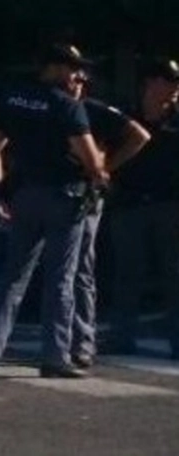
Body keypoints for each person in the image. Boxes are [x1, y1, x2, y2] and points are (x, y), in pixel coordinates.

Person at [0, 44, 108, 379]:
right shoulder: (67, 106)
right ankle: (54, 357)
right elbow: (90, 159)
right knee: (60, 279)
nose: (78, 75)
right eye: (73, 68)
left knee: (12, 277)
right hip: (64, 197)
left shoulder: (14, 99)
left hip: (25, 195)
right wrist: (101, 174)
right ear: (57, 68)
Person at [67, 74, 149, 369]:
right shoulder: (47, 106)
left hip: (85, 192)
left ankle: (82, 341)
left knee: (80, 269)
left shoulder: (93, 110)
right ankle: (63, 339)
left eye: (79, 79)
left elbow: (139, 135)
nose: (74, 84)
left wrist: (106, 169)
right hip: (51, 190)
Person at [104, 58, 179, 358]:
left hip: (170, 205)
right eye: (169, 80)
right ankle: (122, 336)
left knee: (174, 274)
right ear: (149, 83)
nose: (175, 88)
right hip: (129, 203)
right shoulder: (125, 118)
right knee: (127, 273)